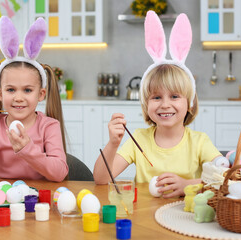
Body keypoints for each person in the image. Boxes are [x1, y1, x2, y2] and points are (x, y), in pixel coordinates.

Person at [93, 11, 221, 198]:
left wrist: (187, 185)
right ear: (146, 104)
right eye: (156, 97)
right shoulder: (139, 139)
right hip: (145, 218)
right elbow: (100, 179)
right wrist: (113, 143)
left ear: (190, 103)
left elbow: (224, 178)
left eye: (175, 96)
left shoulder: (200, 142)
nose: (165, 104)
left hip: (184, 216)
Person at [0, 16, 68, 181]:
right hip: (2, 198)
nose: (19, 98)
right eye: (11, 90)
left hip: (37, 200)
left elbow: (59, 173)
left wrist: (27, 149)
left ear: (41, 94)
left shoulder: (49, 126)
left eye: (28, 90)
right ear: (1, 94)